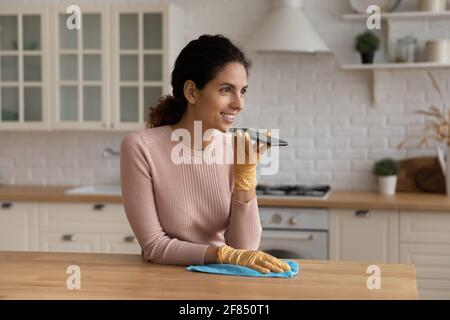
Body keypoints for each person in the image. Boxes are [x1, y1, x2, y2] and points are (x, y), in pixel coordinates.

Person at [120, 34, 290, 274]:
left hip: (221, 281)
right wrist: (221, 253)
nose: (239, 103)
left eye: (243, 91)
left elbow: (245, 248)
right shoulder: (140, 147)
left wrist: (245, 177)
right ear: (191, 92)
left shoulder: (233, 147)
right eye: (226, 90)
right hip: (164, 283)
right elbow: (154, 246)